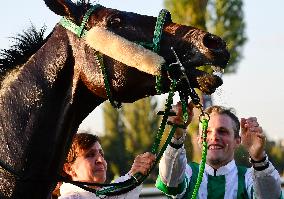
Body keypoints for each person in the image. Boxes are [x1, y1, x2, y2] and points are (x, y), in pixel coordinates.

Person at [156, 102, 283, 199]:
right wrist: (177, 137)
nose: (214, 137)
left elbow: (271, 196)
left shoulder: (247, 177)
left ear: (237, 140)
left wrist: (259, 157)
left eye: (222, 131)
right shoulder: (188, 172)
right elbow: (169, 183)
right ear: (200, 140)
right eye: (207, 131)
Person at [56, 132, 156, 199]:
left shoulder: (104, 195)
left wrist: (135, 172)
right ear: (69, 168)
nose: (100, 160)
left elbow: (123, 188)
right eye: (90, 155)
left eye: (101, 154)